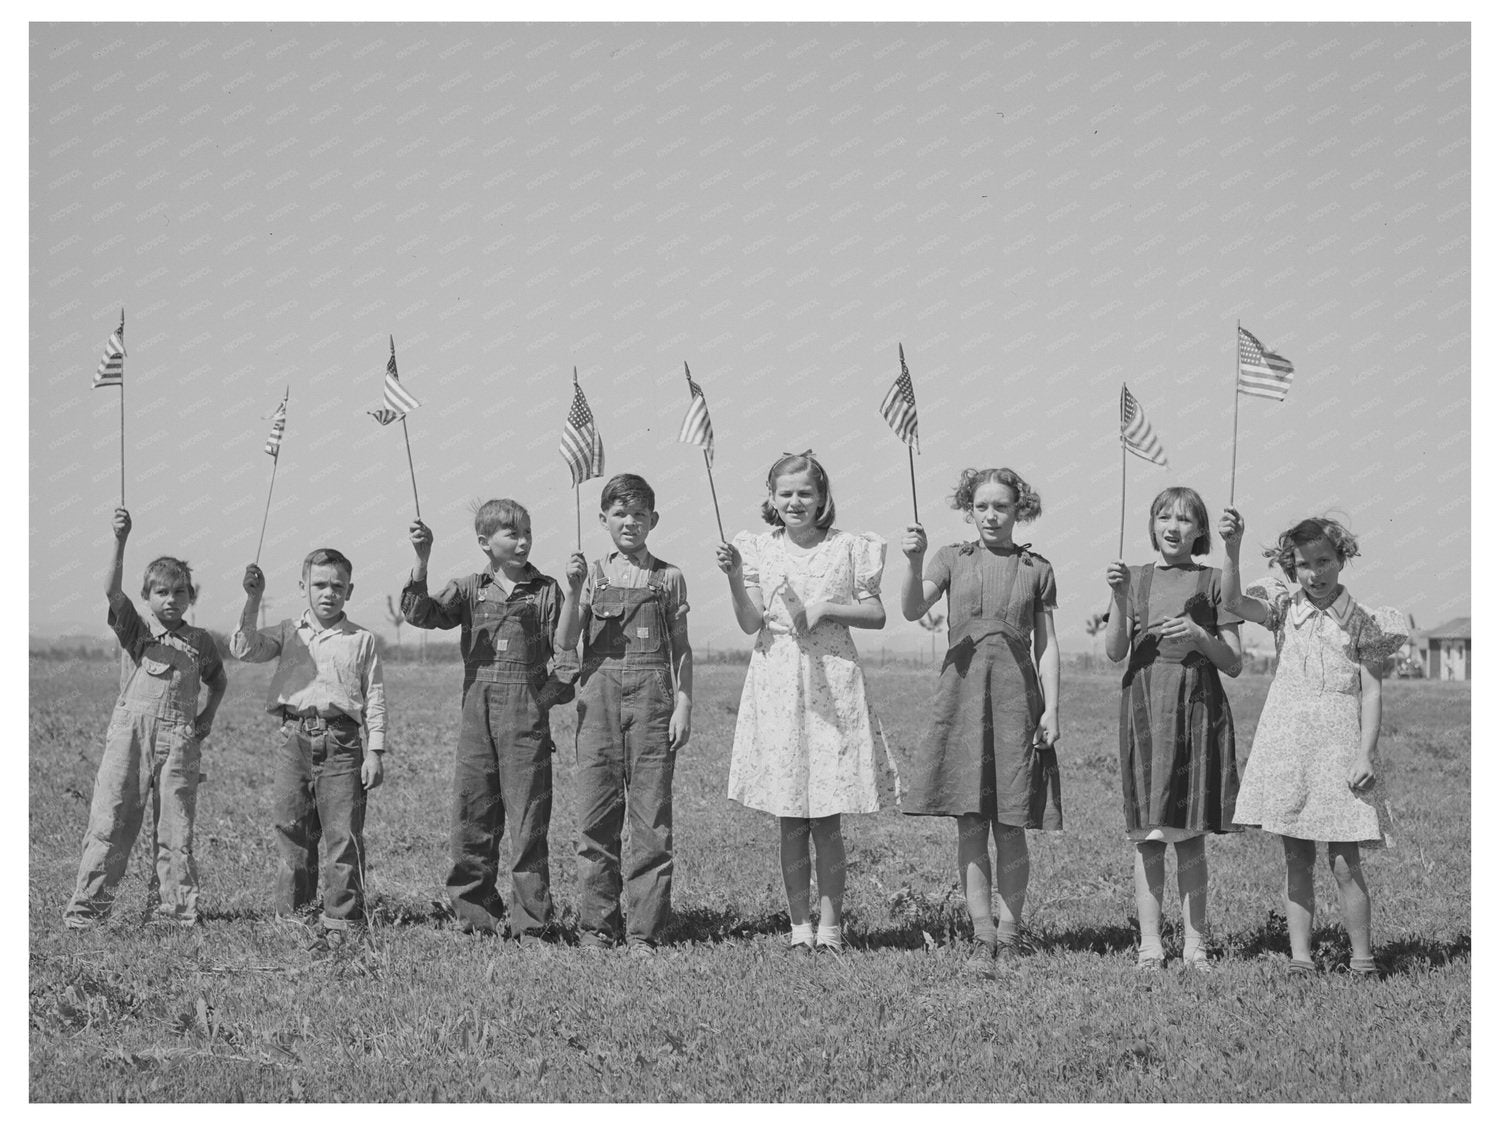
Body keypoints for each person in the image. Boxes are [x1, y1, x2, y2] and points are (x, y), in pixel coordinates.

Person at [716, 451, 895, 955]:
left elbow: (877, 613)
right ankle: (799, 928)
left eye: (805, 493)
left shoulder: (849, 548)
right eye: (785, 494)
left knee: (828, 813)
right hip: (777, 682)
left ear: (823, 498)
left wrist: (825, 609)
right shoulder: (756, 549)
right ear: (771, 500)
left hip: (832, 683)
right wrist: (734, 577)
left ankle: (832, 929)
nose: (795, 502)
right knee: (790, 814)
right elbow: (751, 623)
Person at [1220, 508, 1406, 978]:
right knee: (1296, 856)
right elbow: (1233, 604)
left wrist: (1365, 752)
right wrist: (1232, 547)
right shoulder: (1285, 609)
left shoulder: (1364, 622)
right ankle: (1300, 957)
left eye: (1324, 561)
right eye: (1304, 564)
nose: (1315, 573)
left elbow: (1372, 691)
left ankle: (1362, 959)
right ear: (1291, 568)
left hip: (1341, 747)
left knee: (1345, 861)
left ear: (1341, 560)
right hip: (1291, 743)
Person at [900, 468, 1060, 972]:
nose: (991, 515)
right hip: (962, 700)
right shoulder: (950, 558)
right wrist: (913, 561)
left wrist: (1051, 708)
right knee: (970, 823)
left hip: (1017, 702)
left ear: (1019, 510)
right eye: (982, 506)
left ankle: (1010, 936)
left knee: (1011, 823)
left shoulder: (1037, 567)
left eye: (1002, 506)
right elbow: (910, 608)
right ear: (969, 510)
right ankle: (981, 934)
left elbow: (1049, 646)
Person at [403, 500, 567, 943]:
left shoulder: (547, 590)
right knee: (472, 814)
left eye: (528, 532)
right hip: (475, 715)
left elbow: (568, 660)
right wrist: (423, 559)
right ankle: (476, 918)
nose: (523, 541)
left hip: (525, 717)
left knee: (528, 820)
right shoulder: (468, 590)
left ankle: (532, 923)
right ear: (484, 543)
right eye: (512, 534)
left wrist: (541, 703)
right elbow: (420, 615)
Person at [65, 508, 227, 929]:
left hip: (180, 741)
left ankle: (173, 912)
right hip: (130, 738)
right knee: (112, 820)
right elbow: (111, 591)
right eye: (161, 592)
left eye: (179, 592)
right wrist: (120, 539)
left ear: (191, 596)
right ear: (147, 597)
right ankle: (88, 910)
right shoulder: (136, 632)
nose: (170, 600)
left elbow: (218, 681)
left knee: (176, 829)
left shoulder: (201, 642)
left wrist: (205, 718)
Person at [1104, 486, 1242, 972]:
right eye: (1164, 516)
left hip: (1195, 709)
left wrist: (1202, 636)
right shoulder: (1135, 579)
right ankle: (1149, 944)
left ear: (1200, 530)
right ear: (1151, 524)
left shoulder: (1212, 580)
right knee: (1148, 836)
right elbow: (1115, 650)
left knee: (1189, 836)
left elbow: (1235, 662)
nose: (1173, 526)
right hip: (1144, 708)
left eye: (1185, 519)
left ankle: (1195, 945)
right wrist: (1119, 599)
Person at [557, 473, 692, 957]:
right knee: (595, 818)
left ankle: (645, 934)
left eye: (639, 514)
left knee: (652, 821)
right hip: (599, 699)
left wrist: (684, 704)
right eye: (620, 513)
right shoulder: (590, 574)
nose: (630, 522)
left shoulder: (669, 576)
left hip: (653, 701)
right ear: (603, 520)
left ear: (653, 519)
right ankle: (596, 928)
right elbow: (565, 640)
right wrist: (573, 592)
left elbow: (681, 649)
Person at [234, 549, 385, 946]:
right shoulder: (287, 632)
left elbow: (375, 699)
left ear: (349, 590)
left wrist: (375, 752)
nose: (328, 593)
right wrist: (252, 599)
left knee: (342, 833)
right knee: (292, 829)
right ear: (303, 587)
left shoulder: (362, 639)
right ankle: (295, 916)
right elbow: (245, 648)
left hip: (343, 742)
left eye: (337, 586)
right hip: (294, 739)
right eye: (319, 584)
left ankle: (343, 920)